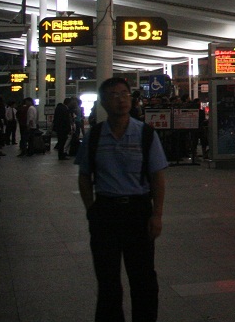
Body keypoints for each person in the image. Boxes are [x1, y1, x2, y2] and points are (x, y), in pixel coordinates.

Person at [76, 77, 167, 322]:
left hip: (138, 212)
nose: (121, 99)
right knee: (108, 281)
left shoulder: (145, 134)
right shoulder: (95, 136)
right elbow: (84, 176)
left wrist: (157, 214)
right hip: (106, 212)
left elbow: (157, 177)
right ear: (103, 102)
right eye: (114, 95)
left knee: (143, 279)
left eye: (125, 94)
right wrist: (91, 209)